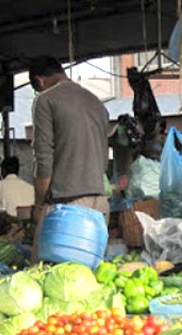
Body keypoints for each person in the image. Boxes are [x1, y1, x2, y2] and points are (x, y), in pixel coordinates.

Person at [28, 56, 110, 260]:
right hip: (100, 205)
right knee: (91, 279)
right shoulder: (97, 103)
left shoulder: (46, 100)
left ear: (40, 81)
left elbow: (44, 159)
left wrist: (38, 206)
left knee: (45, 275)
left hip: (67, 210)